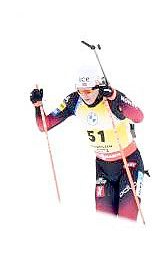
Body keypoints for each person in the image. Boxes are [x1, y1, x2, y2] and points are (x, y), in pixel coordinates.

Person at [29, 66, 146, 221]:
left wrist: (114, 95)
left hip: (128, 163)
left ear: (98, 87)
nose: (85, 95)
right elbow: (44, 125)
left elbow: (138, 117)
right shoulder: (74, 101)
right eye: (81, 90)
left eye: (89, 90)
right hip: (103, 167)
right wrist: (38, 106)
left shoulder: (110, 98)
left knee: (127, 218)